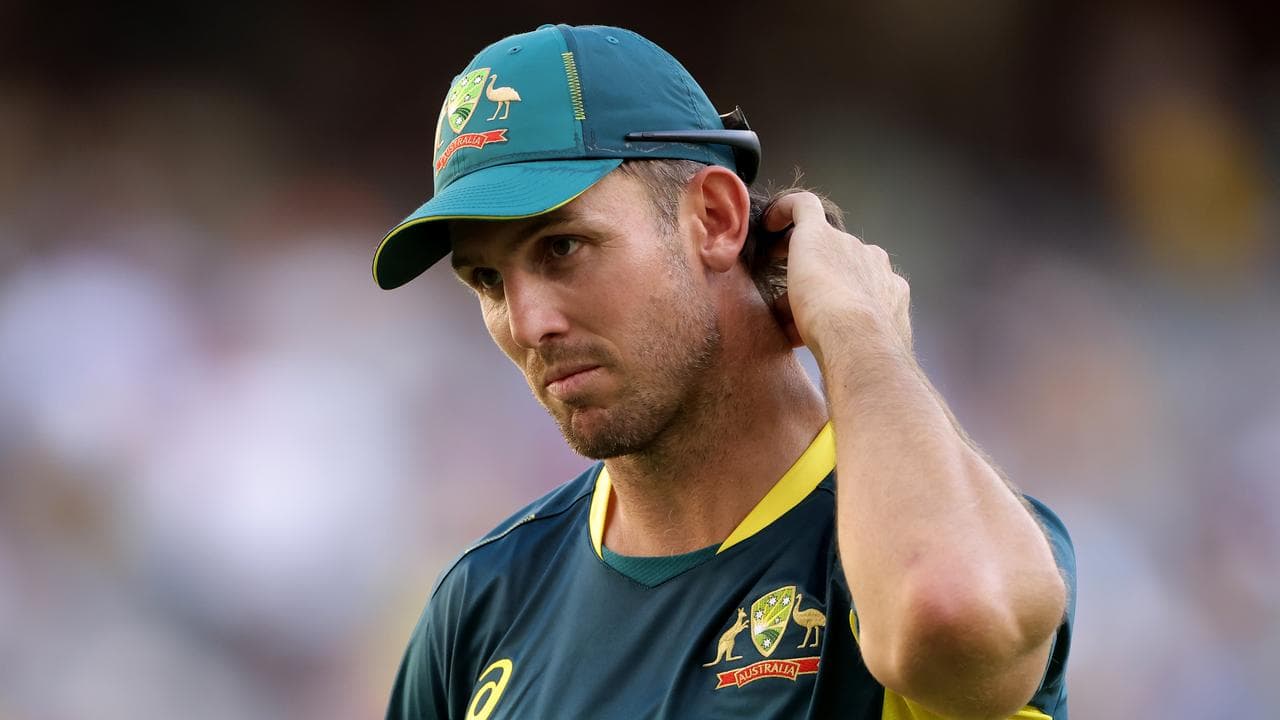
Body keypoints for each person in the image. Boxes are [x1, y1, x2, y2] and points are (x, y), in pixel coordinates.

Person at [374, 23, 1075, 720]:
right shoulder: (481, 604)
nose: (529, 324)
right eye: (488, 280)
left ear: (713, 219)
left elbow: (950, 612)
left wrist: (859, 330)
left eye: (562, 248)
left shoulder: (962, 539)